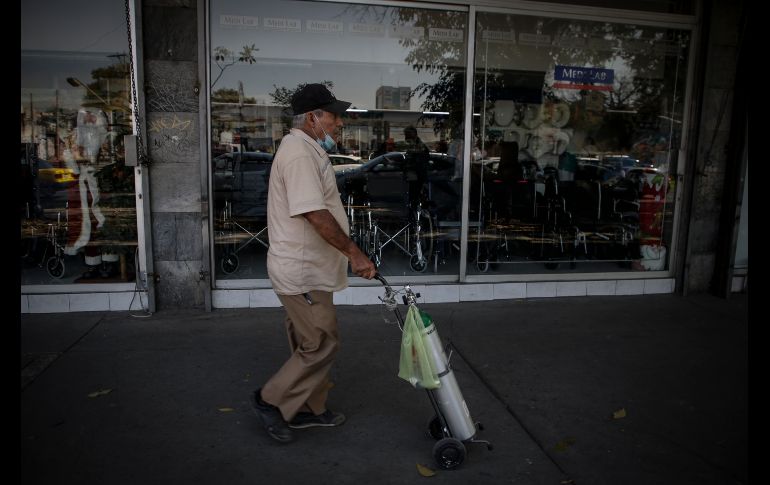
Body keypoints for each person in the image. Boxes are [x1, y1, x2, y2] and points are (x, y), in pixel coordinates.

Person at [251, 83, 377, 443]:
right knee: (319, 343)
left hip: (310, 270)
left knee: (310, 340)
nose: (339, 122)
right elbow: (313, 213)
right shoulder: (299, 153)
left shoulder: (306, 149)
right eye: (333, 115)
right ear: (313, 117)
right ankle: (269, 401)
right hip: (302, 271)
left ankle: (309, 408)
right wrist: (354, 253)